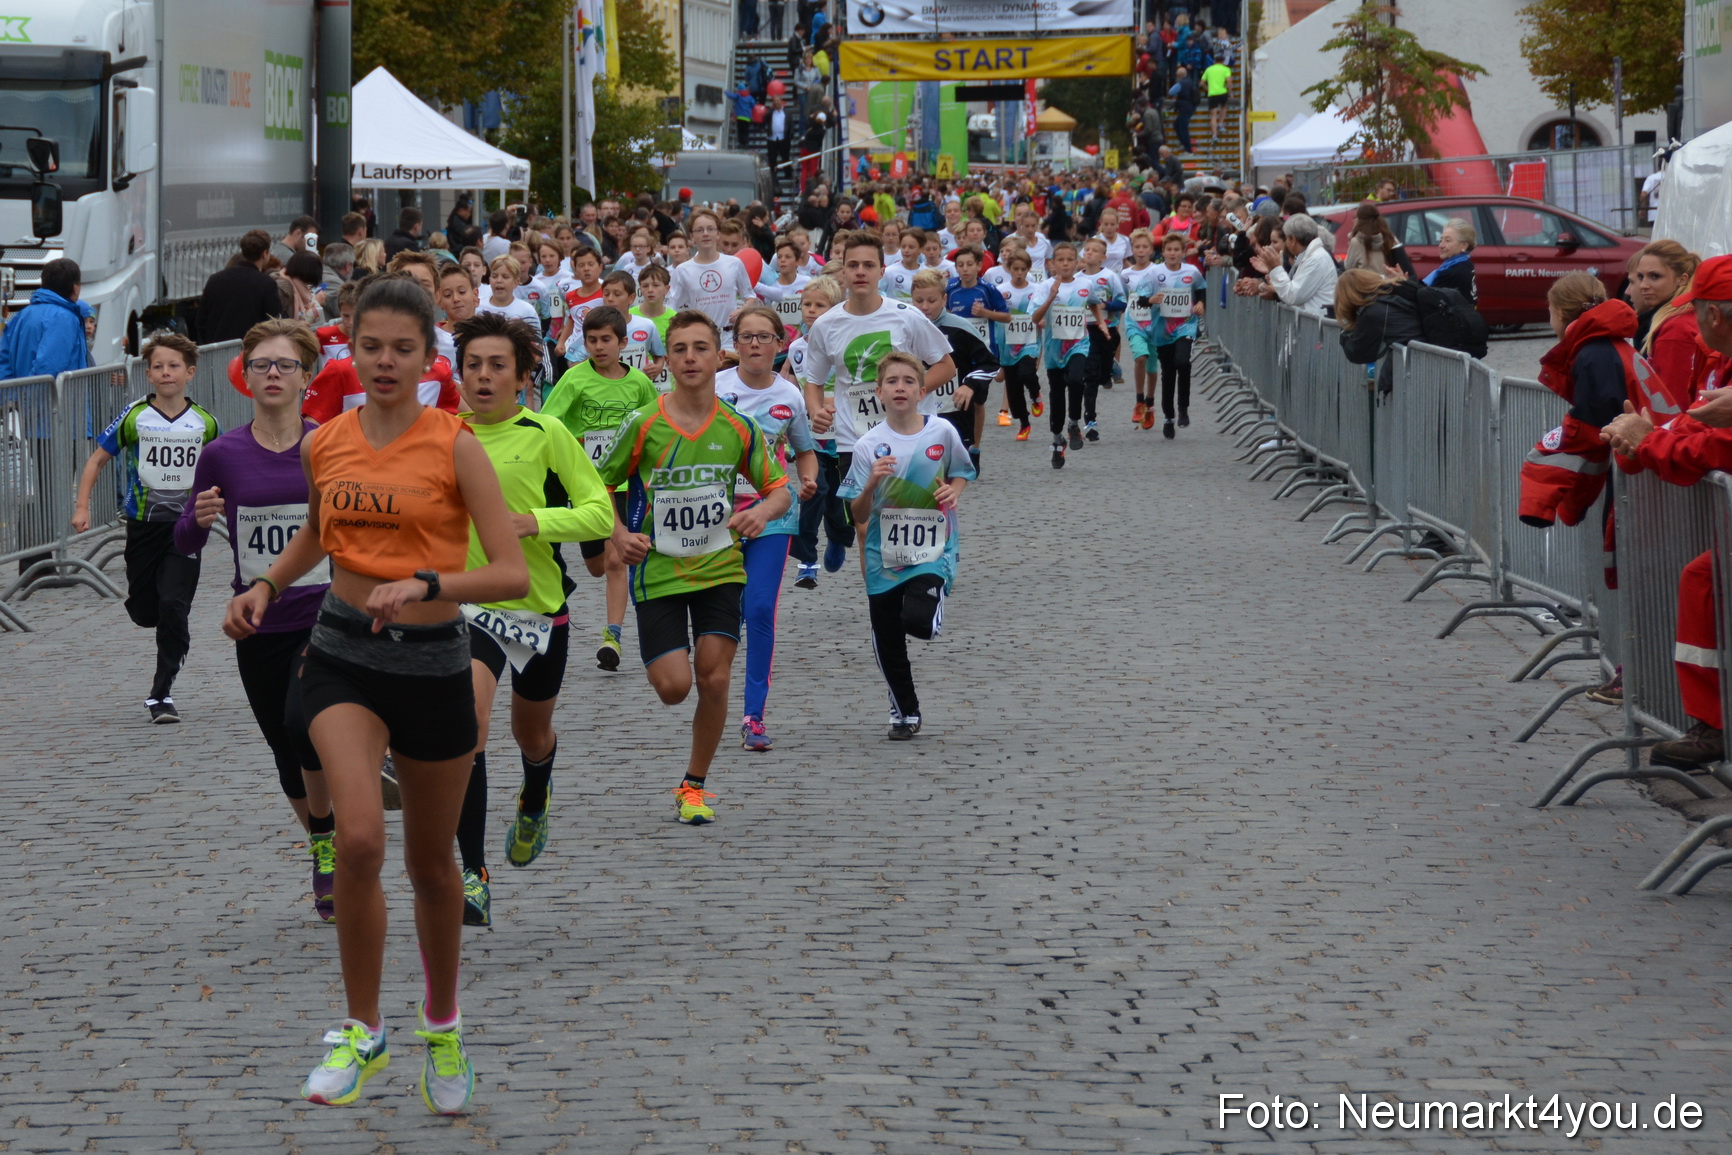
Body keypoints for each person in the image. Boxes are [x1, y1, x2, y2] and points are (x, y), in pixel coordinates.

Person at [223, 276, 528, 1114]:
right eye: (370, 346)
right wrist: (266, 585)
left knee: (433, 866)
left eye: (402, 348)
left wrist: (429, 578)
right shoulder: (329, 440)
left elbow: (506, 569)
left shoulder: (456, 444)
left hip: (432, 660)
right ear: (348, 352)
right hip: (341, 654)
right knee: (356, 840)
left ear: (429, 358)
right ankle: (363, 1029)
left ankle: (441, 1022)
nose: (385, 361)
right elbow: (324, 530)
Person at [595, 310, 791, 824]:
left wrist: (760, 513)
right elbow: (599, 485)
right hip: (657, 569)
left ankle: (694, 785)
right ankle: (690, 770)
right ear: (668, 360)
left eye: (700, 348)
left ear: (717, 354)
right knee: (673, 687)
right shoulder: (644, 424)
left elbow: (780, 489)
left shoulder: (739, 427)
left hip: (720, 567)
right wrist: (619, 534)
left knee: (715, 678)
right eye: (679, 349)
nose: (690, 358)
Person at [448, 312, 612, 927]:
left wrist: (534, 522)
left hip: (538, 610)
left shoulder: (546, 433)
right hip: (469, 608)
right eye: (474, 366)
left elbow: (599, 515)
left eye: (498, 367)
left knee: (530, 733)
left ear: (522, 377)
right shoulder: (441, 435)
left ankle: (536, 792)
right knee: (470, 726)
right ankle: (473, 873)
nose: (484, 377)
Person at [173, 319, 334, 918]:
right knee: (283, 745)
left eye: (284, 365)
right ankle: (325, 843)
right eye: (261, 365)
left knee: (302, 722)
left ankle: (335, 832)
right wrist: (200, 517)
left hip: (326, 615)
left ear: (306, 377)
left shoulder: (329, 443)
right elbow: (185, 541)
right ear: (245, 376)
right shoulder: (222, 454)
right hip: (259, 623)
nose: (272, 374)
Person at [1600, 255, 1732, 768]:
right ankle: (1710, 725)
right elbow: (1693, 427)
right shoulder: (1716, 355)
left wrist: (1648, 441)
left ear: (1711, 314)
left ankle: (1712, 727)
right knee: (1701, 577)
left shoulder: (1699, 345)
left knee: (1703, 578)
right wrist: (1646, 440)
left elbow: (1713, 447)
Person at [72, 334, 220, 723]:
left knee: (173, 604)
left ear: (189, 372)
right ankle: (164, 624)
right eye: (158, 366)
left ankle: (161, 693)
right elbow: (97, 460)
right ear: (148, 373)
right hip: (142, 527)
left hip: (186, 528)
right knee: (145, 610)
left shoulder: (205, 422)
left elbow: (223, 471)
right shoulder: (136, 415)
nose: (166, 373)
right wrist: (82, 506)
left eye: (173, 366)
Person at [838, 352, 975, 740]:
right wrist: (870, 485)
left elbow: (963, 471)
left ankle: (930, 606)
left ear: (922, 389)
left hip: (934, 547)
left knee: (916, 621)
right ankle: (905, 711)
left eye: (909, 381)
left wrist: (954, 490)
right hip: (884, 556)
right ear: (879, 392)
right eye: (893, 382)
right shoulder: (869, 444)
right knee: (887, 637)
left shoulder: (941, 432)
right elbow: (857, 513)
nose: (901, 387)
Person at [799, 231, 957, 567]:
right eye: (853, 265)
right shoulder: (827, 325)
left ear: (882, 271)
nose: (860, 271)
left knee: (910, 516)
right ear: (842, 271)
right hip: (854, 439)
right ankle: (879, 600)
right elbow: (813, 381)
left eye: (868, 265)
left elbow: (946, 365)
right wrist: (815, 410)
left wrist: (909, 394)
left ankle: (919, 579)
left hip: (909, 434)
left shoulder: (906, 315)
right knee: (865, 525)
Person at [712, 304, 818, 751]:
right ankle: (712, 695)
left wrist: (808, 478)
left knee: (758, 609)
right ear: (734, 344)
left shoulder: (790, 395)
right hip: (714, 517)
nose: (755, 344)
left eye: (764, 337)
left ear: (779, 344)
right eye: (746, 337)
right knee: (721, 616)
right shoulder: (714, 386)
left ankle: (753, 715)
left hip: (772, 516)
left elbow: (804, 449)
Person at [542, 306, 659, 671]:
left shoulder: (639, 383)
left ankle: (613, 636)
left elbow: (653, 429)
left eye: (606, 339)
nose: (598, 346)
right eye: (591, 340)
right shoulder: (575, 379)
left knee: (614, 560)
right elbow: (548, 422)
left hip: (622, 483)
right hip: (584, 484)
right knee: (595, 566)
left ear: (623, 342)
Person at [783, 275, 848, 586]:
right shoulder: (797, 347)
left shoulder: (846, 342)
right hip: (812, 438)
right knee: (814, 490)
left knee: (839, 502)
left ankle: (838, 537)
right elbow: (789, 384)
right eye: (807, 304)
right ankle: (807, 559)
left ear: (834, 309)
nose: (811, 310)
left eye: (820, 305)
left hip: (847, 437)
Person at [1029, 241, 1107, 469]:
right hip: (1055, 351)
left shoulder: (1085, 284)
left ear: (1077, 262)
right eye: (1060, 260)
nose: (1065, 264)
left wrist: (1101, 323)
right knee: (1056, 394)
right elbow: (1034, 318)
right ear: (1052, 264)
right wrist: (1051, 298)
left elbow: (1093, 304)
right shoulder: (1045, 287)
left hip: (1078, 345)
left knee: (1075, 380)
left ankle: (1073, 423)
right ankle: (1057, 439)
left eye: (1069, 260)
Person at [914, 269, 996, 473]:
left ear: (944, 299)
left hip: (956, 410)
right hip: (918, 411)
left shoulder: (961, 327)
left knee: (952, 472)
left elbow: (990, 363)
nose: (924, 307)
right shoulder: (905, 327)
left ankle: (973, 451)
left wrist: (970, 385)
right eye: (918, 301)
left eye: (931, 300)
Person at [1141, 233, 1205, 438]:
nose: (1172, 253)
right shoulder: (1154, 273)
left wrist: (1201, 303)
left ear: (1183, 252)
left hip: (1186, 325)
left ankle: (1183, 408)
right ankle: (1169, 416)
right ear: (1163, 252)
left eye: (1177, 250)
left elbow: (1201, 289)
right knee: (1168, 373)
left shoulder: (1192, 271)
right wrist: (1151, 299)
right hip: (1162, 329)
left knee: (1183, 362)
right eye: (1169, 250)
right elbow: (1141, 299)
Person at [667, 210, 758, 351]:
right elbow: (671, 308)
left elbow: (750, 296)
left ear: (718, 234)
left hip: (729, 337)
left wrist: (742, 310)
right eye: (699, 230)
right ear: (692, 237)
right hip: (700, 338)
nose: (705, 234)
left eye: (710, 229)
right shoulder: (682, 270)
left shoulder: (734, 263)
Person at [1626, 239, 1703, 402]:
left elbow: (1670, 403)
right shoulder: (1682, 317)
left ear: (1682, 279)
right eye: (1640, 277)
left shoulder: (1675, 329)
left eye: (1655, 276)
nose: (1643, 285)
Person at [0, 257, 89, 379]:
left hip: (16, 395)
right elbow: (49, 367)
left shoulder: (22, 314)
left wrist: (12, 395)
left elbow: (3, 361)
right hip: (52, 397)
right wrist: (30, 396)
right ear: (75, 288)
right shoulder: (65, 318)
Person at [1076, 236, 1126, 441]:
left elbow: (1122, 303)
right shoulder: (1077, 278)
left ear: (1103, 257)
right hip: (1086, 332)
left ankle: (1111, 367)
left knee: (1102, 375)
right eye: (1087, 250)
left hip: (1107, 331)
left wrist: (1105, 306)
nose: (1089, 253)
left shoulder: (1110, 277)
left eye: (1095, 251)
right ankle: (1090, 421)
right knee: (1090, 378)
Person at [201, 231, 287, 343]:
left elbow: (201, 321)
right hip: (249, 351)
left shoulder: (215, 279)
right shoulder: (265, 283)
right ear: (265, 253)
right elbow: (276, 320)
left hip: (217, 351)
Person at [995, 250, 1045, 441]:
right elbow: (996, 314)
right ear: (1008, 269)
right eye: (1015, 269)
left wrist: (1043, 321)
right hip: (1007, 344)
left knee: (1027, 372)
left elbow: (1043, 311)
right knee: (1013, 390)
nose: (1019, 273)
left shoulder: (1036, 289)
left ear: (1028, 270)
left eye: (1023, 269)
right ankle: (1024, 422)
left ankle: (1035, 394)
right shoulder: (1000, 290)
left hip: (1029, 340)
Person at [1252, 214, 1338, 315]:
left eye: (1287, 239)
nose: (1286, 244)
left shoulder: (1316, 259)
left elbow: (1292, 296)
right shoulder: (1309, 256)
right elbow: (1294, 288)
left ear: (1293, 240)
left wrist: (1276, 268)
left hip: (1316, 324)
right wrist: (1274, 290)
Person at [1343, 204, 1416, 278]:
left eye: (1356, 218)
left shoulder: (1356, 241)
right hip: (1388, 284)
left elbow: (1348, 267)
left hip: (1366, 285)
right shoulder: (1390, 237)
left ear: (1359, 220)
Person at [1424, 218, 1478, 306]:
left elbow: (1424, 297)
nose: (1441, 245)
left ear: (1464, 245)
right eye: (1440, 240)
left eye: (1447, 240)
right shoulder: (1465, 263)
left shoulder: (1453, 272)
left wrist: (1403, 283)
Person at [1200, 57, 1232, 141]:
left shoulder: (1209, 69)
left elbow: (1201, 83)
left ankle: (1214, 135)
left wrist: (1207, 89)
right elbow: (1228, 81)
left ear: (1214, 61)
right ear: (1223, 60)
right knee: (1224, 107)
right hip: (1222, 92)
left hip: (1212, 94)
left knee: (1213, 115)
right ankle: (1221, 124)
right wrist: (1231, 92)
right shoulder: (1226, 69)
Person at [1168, 66, 1197, 154]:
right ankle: (1184, 144)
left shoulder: (1181, 83)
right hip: (1190, 107)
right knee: (1177, 125)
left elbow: (1171, 92)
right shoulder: (1190, 82)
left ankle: (1188, 149)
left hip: (1184, 108)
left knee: (1182, 128)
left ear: (1178, 75)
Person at [766, 95, 793, 187]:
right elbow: (764, 119)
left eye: (778, 101)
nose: (777, 103)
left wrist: (790, 136)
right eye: (775, 101)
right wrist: (770, 109)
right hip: (772, 138)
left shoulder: (787, 112)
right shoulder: (771, 112)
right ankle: (772, 175)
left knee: (785, 156)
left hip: (783, 138)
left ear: (781, 101)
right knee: (772, 158)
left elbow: (791, 124)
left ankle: (788, 174)